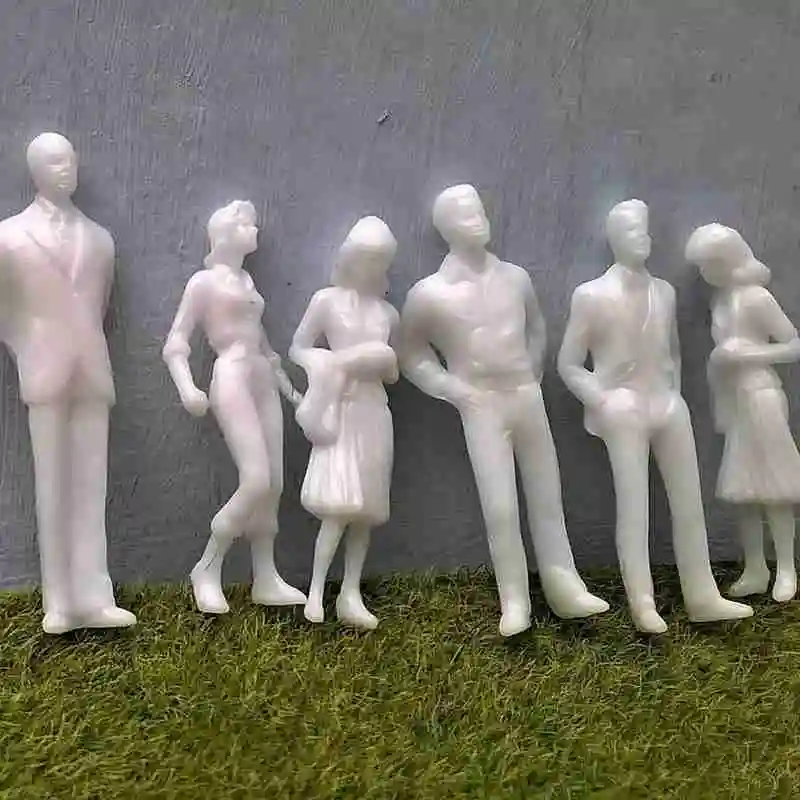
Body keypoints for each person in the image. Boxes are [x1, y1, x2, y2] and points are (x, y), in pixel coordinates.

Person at [399, 184, 608, 637]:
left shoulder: (515, 277)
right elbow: (410, 353)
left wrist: (533, 369)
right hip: (482, 404)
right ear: (446, 227)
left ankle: (563, 583)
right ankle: (514, 599)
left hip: (525, 396)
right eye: (464, 213)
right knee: (500, 506)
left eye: (478, 209)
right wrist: (452, 388)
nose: (477, 219)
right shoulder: (429, 294)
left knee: (548, 494)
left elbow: (536, 326)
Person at [557, 199, 753, 633]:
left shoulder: (664, 292)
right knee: (634, 506)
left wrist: (673, 394)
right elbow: (569, 364)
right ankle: (642, 602)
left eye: (644, 228)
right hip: (622, 407)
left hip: (665, 405)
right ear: (614, 238)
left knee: (689, 503)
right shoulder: (591, 295)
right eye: (632, 230)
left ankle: (702, 595)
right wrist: (601, 399)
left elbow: (674, 350)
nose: (642, 237)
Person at [0, 132, 136, 633]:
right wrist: (27, 346)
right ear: (35, 170)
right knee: (52, 484)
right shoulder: (9, 236)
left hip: (91, 369)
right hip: (44, 368)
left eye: (71, 159)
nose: (67, 168)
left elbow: (99, 305)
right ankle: (58, 599)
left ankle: (95, 596)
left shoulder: (100, 240)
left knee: (91, 487)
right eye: (56, 161)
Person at [163, 200, 305, 614]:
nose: (255, 231)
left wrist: (291, 392)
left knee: (273, 484)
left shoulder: (246, 281)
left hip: (261, 376)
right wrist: (188, 387)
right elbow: (175, 343)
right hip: (232, 377)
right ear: (225, 233)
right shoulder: (203, 282)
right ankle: (207, 566)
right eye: (247, 225)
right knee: (256, 478)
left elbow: (265, 345)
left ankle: (266, 575)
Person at [290, 216, 398, 630]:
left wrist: (383, 361)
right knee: (338, 506)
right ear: (350, 257)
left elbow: (394, 372)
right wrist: (332, 364)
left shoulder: (387, 313)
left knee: (366, 510)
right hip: (341, 410)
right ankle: (317, 590)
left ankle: (350, 592)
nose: (373, 267)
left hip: (374, 411)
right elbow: (299, 347)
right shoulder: (326, 301)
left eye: (381, 260)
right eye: (367, 258)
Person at [686, 223, 800, 602]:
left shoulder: (756, 298)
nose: (705, 273)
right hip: (735, 400)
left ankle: (786, 567)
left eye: (709, 264)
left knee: (774, 485)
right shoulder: (720, 301)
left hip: (762, 396)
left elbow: (793, 345)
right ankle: (755, 567)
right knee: (744, 488)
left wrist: (748, 354)